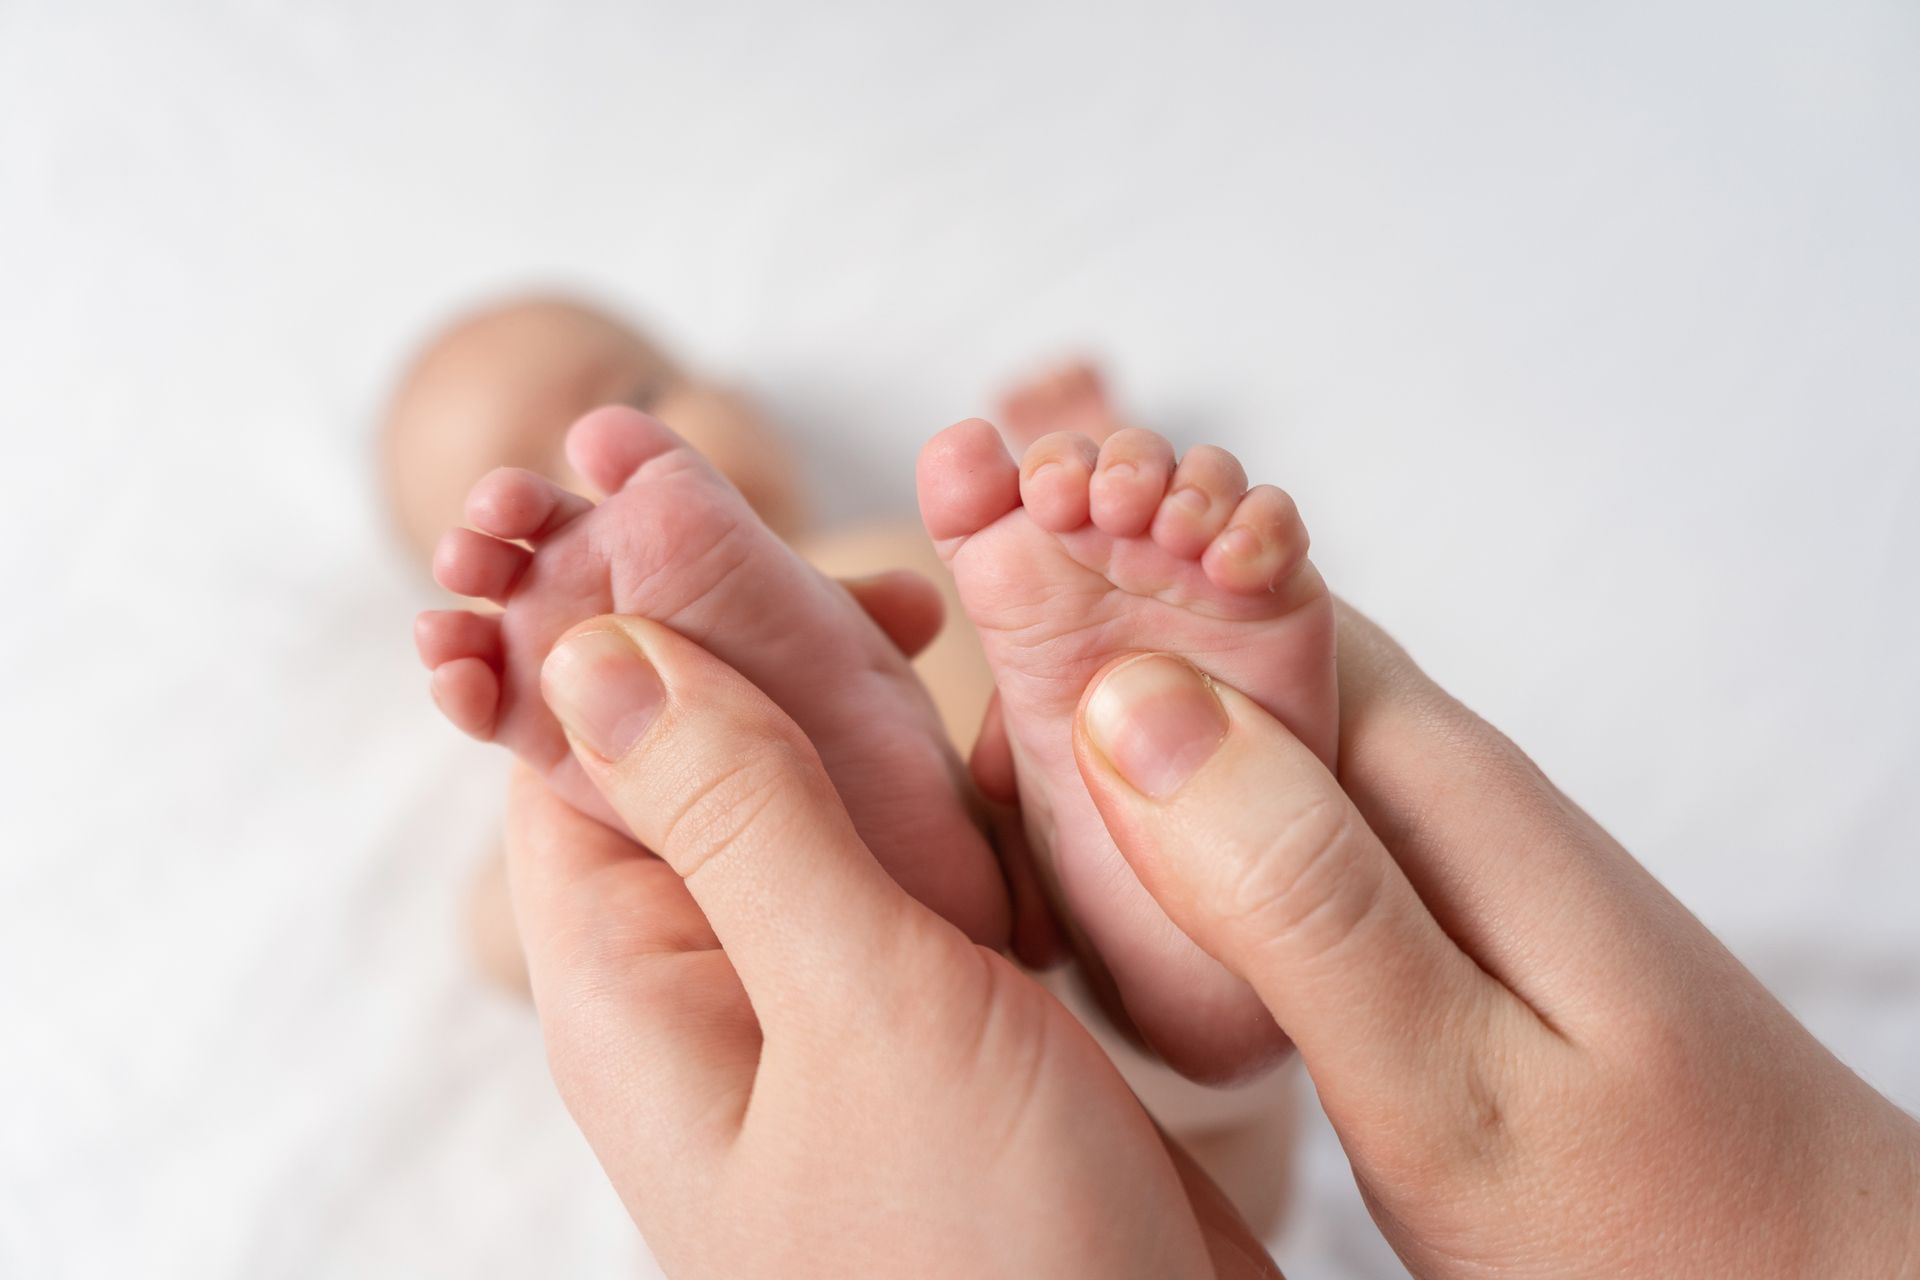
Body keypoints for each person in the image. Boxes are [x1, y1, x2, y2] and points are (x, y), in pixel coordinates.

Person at [507, 601, 1920, 1277]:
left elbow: (1014, 508)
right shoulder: (851, 570)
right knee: (1178, 1133)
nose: (619, 456)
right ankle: (1148, 928)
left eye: (639, 379)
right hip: (882, 1127)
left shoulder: (874, 559)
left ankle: (1141, 942)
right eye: (510, 456)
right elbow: (502, 942)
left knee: (1168, 1133)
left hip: (960, 1136)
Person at [387, 297, 1295, 1226]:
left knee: (1159, 994)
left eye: (635, 395)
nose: (590, 483)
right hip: (970, 1116)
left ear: (740, 402)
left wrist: (1100, 491)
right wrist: (560, 793)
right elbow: (495, 936)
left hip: (1058, 1068)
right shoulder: (912, 558)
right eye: (531, 508)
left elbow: (498, 938)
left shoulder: (942, 541)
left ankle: (1093, 894)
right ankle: (1132, 870)